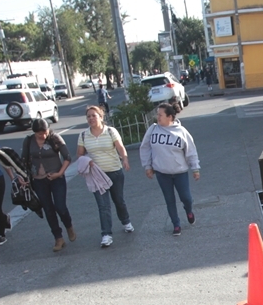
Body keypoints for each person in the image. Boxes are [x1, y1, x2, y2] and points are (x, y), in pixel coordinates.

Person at [139, 101, 200, 236]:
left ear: (170, 117)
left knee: (186, 198)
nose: (158, 117)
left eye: (160, 115)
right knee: (169, 199)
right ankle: (176, 224)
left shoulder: (181, 132)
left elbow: (191, 151)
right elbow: (145, 148)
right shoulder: (153, 129)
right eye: (157, 115)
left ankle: (189, 210)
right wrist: (147, 166)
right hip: (162, 173)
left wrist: (195, 168)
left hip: (180, 172)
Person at [77, 105, 133, 248]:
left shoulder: (110, 131)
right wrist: (86, 162)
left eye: (93, 115)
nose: (91, 118)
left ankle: (125, 221)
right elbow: (80, 154)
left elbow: (120, 147)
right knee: (103, 206)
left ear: (101, 117)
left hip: (114, 171)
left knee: (118, 200)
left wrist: (125, 158)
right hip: (97, 175)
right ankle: (106, 234)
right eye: (88, 116)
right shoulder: (83, 135)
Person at [21, 118, 75, 252]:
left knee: (60, 206)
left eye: (44, 132)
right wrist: (23, 177)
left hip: (56, 178)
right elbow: (23, 160)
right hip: (38, 180)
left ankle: (68, 225)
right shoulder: (29, 141)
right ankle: (58, 237)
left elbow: (67, 157)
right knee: (48, 209)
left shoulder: (55, 138)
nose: (43, 136)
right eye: (39, 133)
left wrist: (60, 173)